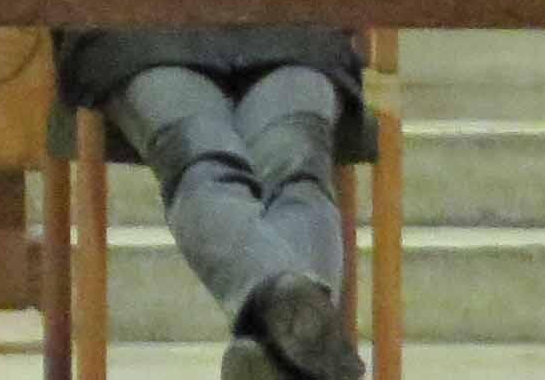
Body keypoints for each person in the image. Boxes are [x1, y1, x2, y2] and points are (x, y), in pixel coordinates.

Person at [57, 28, 369, 380]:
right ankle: (287, 314)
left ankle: (275, 317)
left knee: (225, 164)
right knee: (265, 169)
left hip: (289, 28)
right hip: (141, 31)